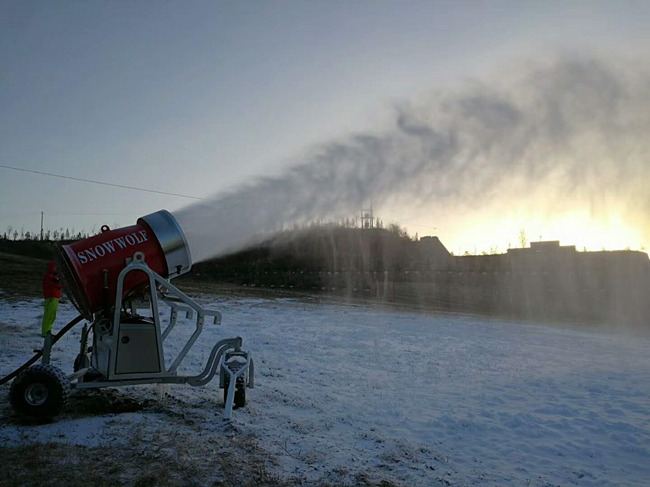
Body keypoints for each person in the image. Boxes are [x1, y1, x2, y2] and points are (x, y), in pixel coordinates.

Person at [42, 262, 63, 337]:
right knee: (49, 315)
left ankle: (48, 331)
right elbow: (59, 285)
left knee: (52, 315)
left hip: (54, 296)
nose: (56, 269)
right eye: (55, 267)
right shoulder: (49, 277)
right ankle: (45, 332)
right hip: (51, 297)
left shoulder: (52, 277)